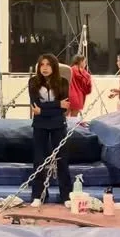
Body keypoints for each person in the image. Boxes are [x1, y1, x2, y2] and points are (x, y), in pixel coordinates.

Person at [28, 53, 72, 208]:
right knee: (39, 161)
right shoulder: (33, 82)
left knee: (62, 160)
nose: (44, 68)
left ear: (54, 67)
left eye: (48, 64)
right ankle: (38, 195)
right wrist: (57, 104)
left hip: (58, 125)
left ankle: (66, 195)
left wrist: (44, 110)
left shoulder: (63, 82)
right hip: (40, 125)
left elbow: (65, 107)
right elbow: (35, 106)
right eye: (42, 65)